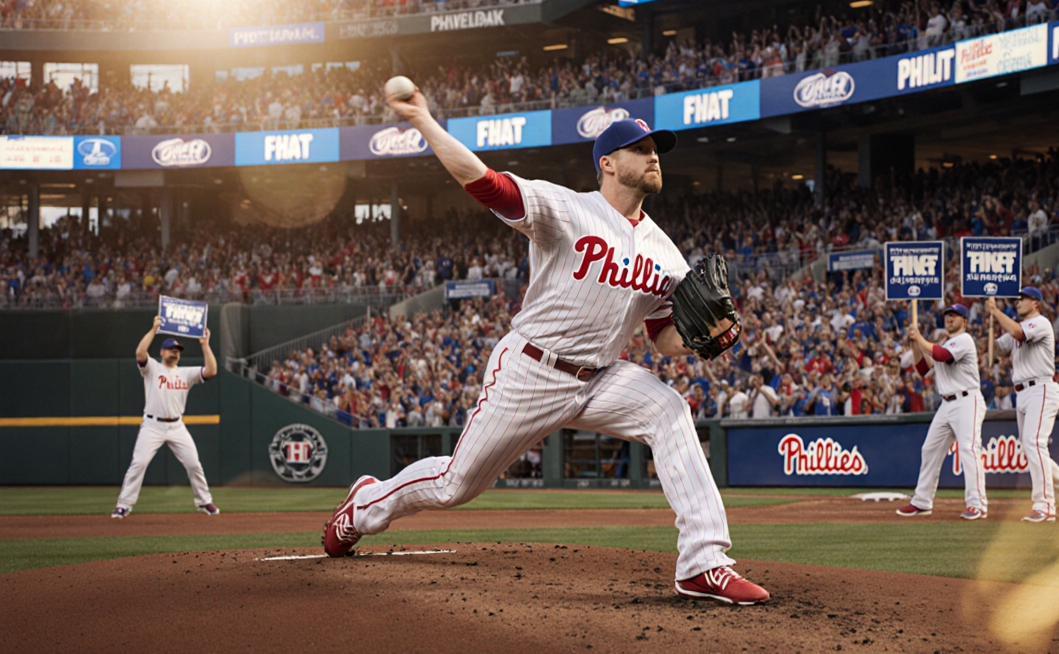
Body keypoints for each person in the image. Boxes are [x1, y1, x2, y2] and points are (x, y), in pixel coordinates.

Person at [321, 82, 769, 605]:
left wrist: (702, 337)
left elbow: (662, 337)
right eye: (642, 150)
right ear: (607, 162)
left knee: (670, 410)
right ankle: (366, 504)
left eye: (656, 152)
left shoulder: (667, 253)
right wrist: (423, 120)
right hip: (532, 369)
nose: (653, 158)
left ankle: (703, 563)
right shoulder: (566, 209)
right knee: (454, 485)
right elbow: (484, 183)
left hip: (600, 377)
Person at [987, 287, 1059, 522]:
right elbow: (997, 351)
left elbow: (1019, 334)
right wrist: (990, 324)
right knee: (1031, 448)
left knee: (1034, 443)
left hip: (1041, 388)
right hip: (1023, 393)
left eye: (1024, 299)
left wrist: (996, 311)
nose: (1018, 302)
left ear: (1036, 304)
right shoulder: (1018, 328)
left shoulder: (1040, 323)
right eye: (1018, 298)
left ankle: (1044, 505)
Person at [112, 316, 219, 519]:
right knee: (139, 463)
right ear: (162, 352)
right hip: (152, 425)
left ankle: (204, 501)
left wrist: (205, 345)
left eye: (177, 350)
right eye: (171, 349)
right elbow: (140, 352)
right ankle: (123, 505)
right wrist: (154, 329)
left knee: (193, 464)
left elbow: (211, 370)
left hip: (177, 426)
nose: (175, 352)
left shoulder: (185, 373)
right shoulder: (152, 368)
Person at [896, 305, 988, 519]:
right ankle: (922, 501)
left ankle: (977, 504)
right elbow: (922, 369)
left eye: (954, 315)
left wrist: (919, 337)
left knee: (968, 449)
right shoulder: (946, 342)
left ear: (964, 321)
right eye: (947, 315)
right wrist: (915, 344)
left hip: (967, 400)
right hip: (947, 404)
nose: (949, 318)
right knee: (929, 449)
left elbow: (942, 354)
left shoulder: (964, 340)